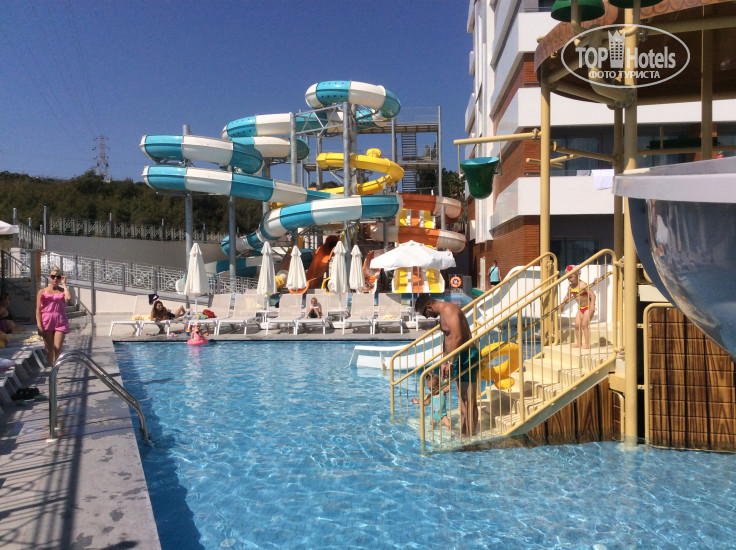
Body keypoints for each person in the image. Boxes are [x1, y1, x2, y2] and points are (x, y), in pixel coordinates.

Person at [414, 294, 479, 437]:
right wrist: (444, 362)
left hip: (467, 356)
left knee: (469, 401)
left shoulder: (449, 309)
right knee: (463, 400)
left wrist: (450, 361)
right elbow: (447, 340)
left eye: (425, 314)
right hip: (457, 358)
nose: (427, 317)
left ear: (429, 307)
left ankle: (471, 435)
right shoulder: (443, 315)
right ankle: (465, 433)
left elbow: (457, 336)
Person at [36, 266, 72, 365]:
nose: (55, 279)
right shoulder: (42, 292)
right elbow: (38, 310)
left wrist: (64, 285)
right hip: (47, 321)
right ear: (49, 277)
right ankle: (52, 368)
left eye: (58, 277)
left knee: (58, 348)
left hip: (60, 321)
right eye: (53, 277)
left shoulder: (62, 291)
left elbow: (68, 297)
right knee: (49, 348)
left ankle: (56, 370)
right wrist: (39, 325)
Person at [561, 265, 596, 349]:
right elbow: (567, 296)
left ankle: (587, 344)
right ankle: (578, 343)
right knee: (577, 325)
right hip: (580, 308)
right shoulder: (570, 287)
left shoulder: (583, 285)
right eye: (567, 278)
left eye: (571, 277)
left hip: (588, 307)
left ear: (578, 274)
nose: (569, 279)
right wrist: (562, 304)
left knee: (584, 325)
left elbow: (592, 294)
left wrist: (592, 305)